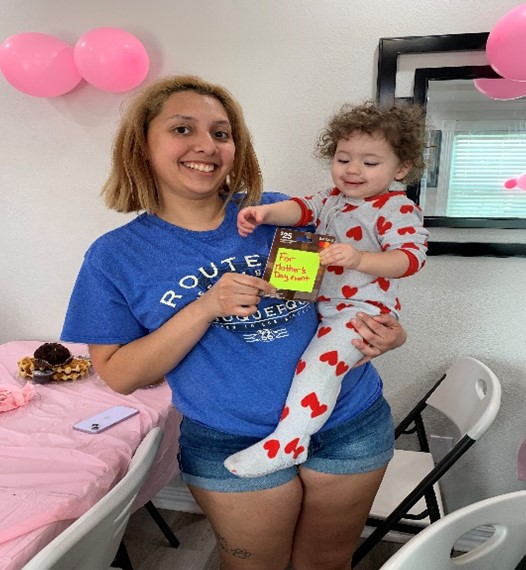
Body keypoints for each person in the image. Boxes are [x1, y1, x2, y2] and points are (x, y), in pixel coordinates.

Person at [61, 75, 408, 570]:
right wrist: (204, 306)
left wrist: (387, 332)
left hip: (348, 420)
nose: (206, 146)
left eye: (221, 133)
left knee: (327, 561)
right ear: (142, 144)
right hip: (230, 436)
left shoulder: (281, 215)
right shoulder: (115, 257)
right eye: (183, 129)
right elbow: (120, 374)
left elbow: (349, 287)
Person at [225, 100, 429, 479]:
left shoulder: (396, 208)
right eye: (343, 158)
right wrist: (265, 213)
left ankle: (289, 442)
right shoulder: (330, 199)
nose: (353, 170)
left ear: (401, 168)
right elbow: (300, 209)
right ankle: (290, 436)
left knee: (320, 365)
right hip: (322, 303)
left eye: (370, 163)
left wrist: (358, 258)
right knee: (294, 341)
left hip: (361, 311)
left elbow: (411, 258)